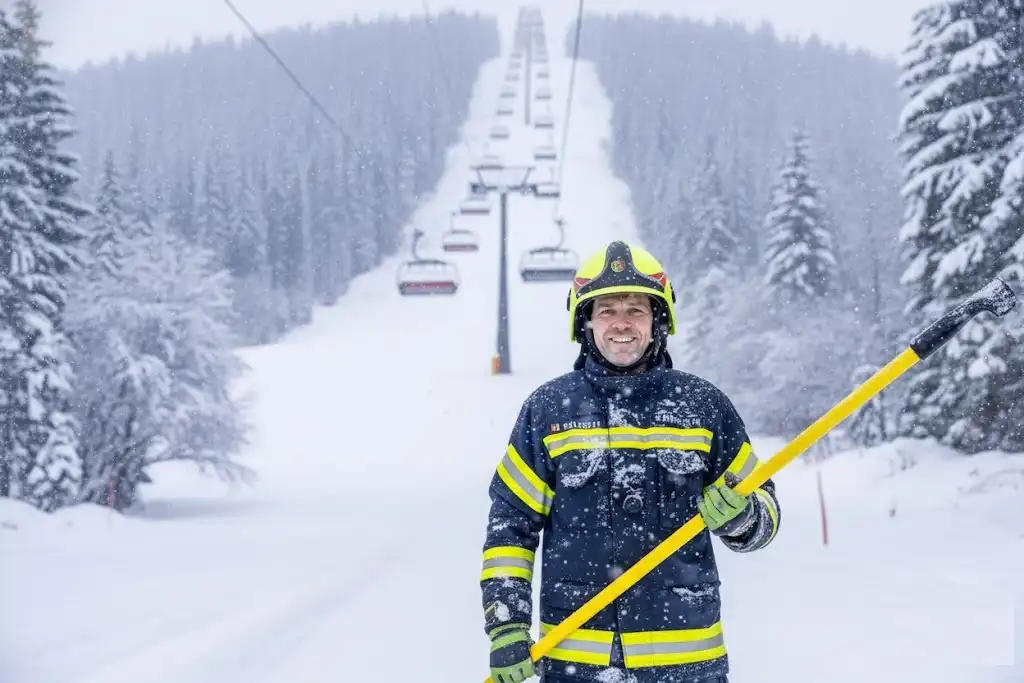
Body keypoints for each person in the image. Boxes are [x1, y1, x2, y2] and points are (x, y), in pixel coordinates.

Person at [480, 241, 782, 683]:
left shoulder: (703, 406)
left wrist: (743, 517)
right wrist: (506, 624)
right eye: (606, 311)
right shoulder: (549, 411)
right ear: (585, 324)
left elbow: (766, 514)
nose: (622, 323)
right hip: (577, 662)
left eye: (636, 310)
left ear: (658, 321)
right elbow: (510, 526)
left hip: (686, 663)